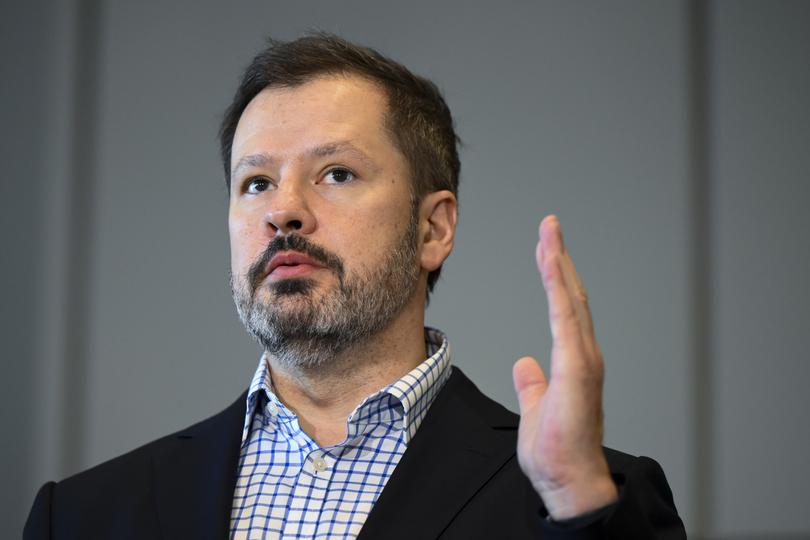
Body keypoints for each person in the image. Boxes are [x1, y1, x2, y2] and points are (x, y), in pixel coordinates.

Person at [25, 33, 685, 539]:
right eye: (256, 182)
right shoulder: (83, 515)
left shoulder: (590, 496)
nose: (283, 209)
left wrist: (574, 499)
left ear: (433, 229)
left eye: (335, 173)